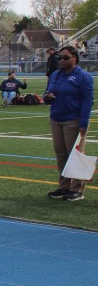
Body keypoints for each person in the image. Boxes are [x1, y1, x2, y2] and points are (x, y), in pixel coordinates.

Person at [43, 46, 93, 201]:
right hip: (56, 118)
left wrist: (83, 123)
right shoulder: (55, 75)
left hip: (73, 119)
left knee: (75, 155)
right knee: (61, 155)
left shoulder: (83, 76)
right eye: (60, 58)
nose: (62, 61)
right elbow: (46, 96)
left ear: (75, 58)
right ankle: (63, 186)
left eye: (66, 58)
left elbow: (87, 101)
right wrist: (48, 97)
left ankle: (77, 189)